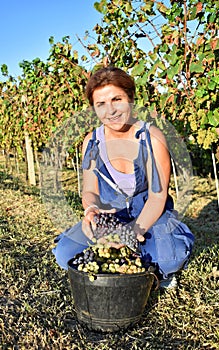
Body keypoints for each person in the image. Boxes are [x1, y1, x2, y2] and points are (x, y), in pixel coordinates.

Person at [52, 66, 194, 288]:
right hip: (111, 218)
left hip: (150, 217)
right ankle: (130, 258)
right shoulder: (92, 142)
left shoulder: (151, 139)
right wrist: (90, 210)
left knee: (169, 258)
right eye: (101, 104)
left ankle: (144, 260)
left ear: (130, 98)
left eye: (116, 99)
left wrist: (130, 232)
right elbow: (90, 190)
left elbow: (158, 198)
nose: (111, 111)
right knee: (65, 253)